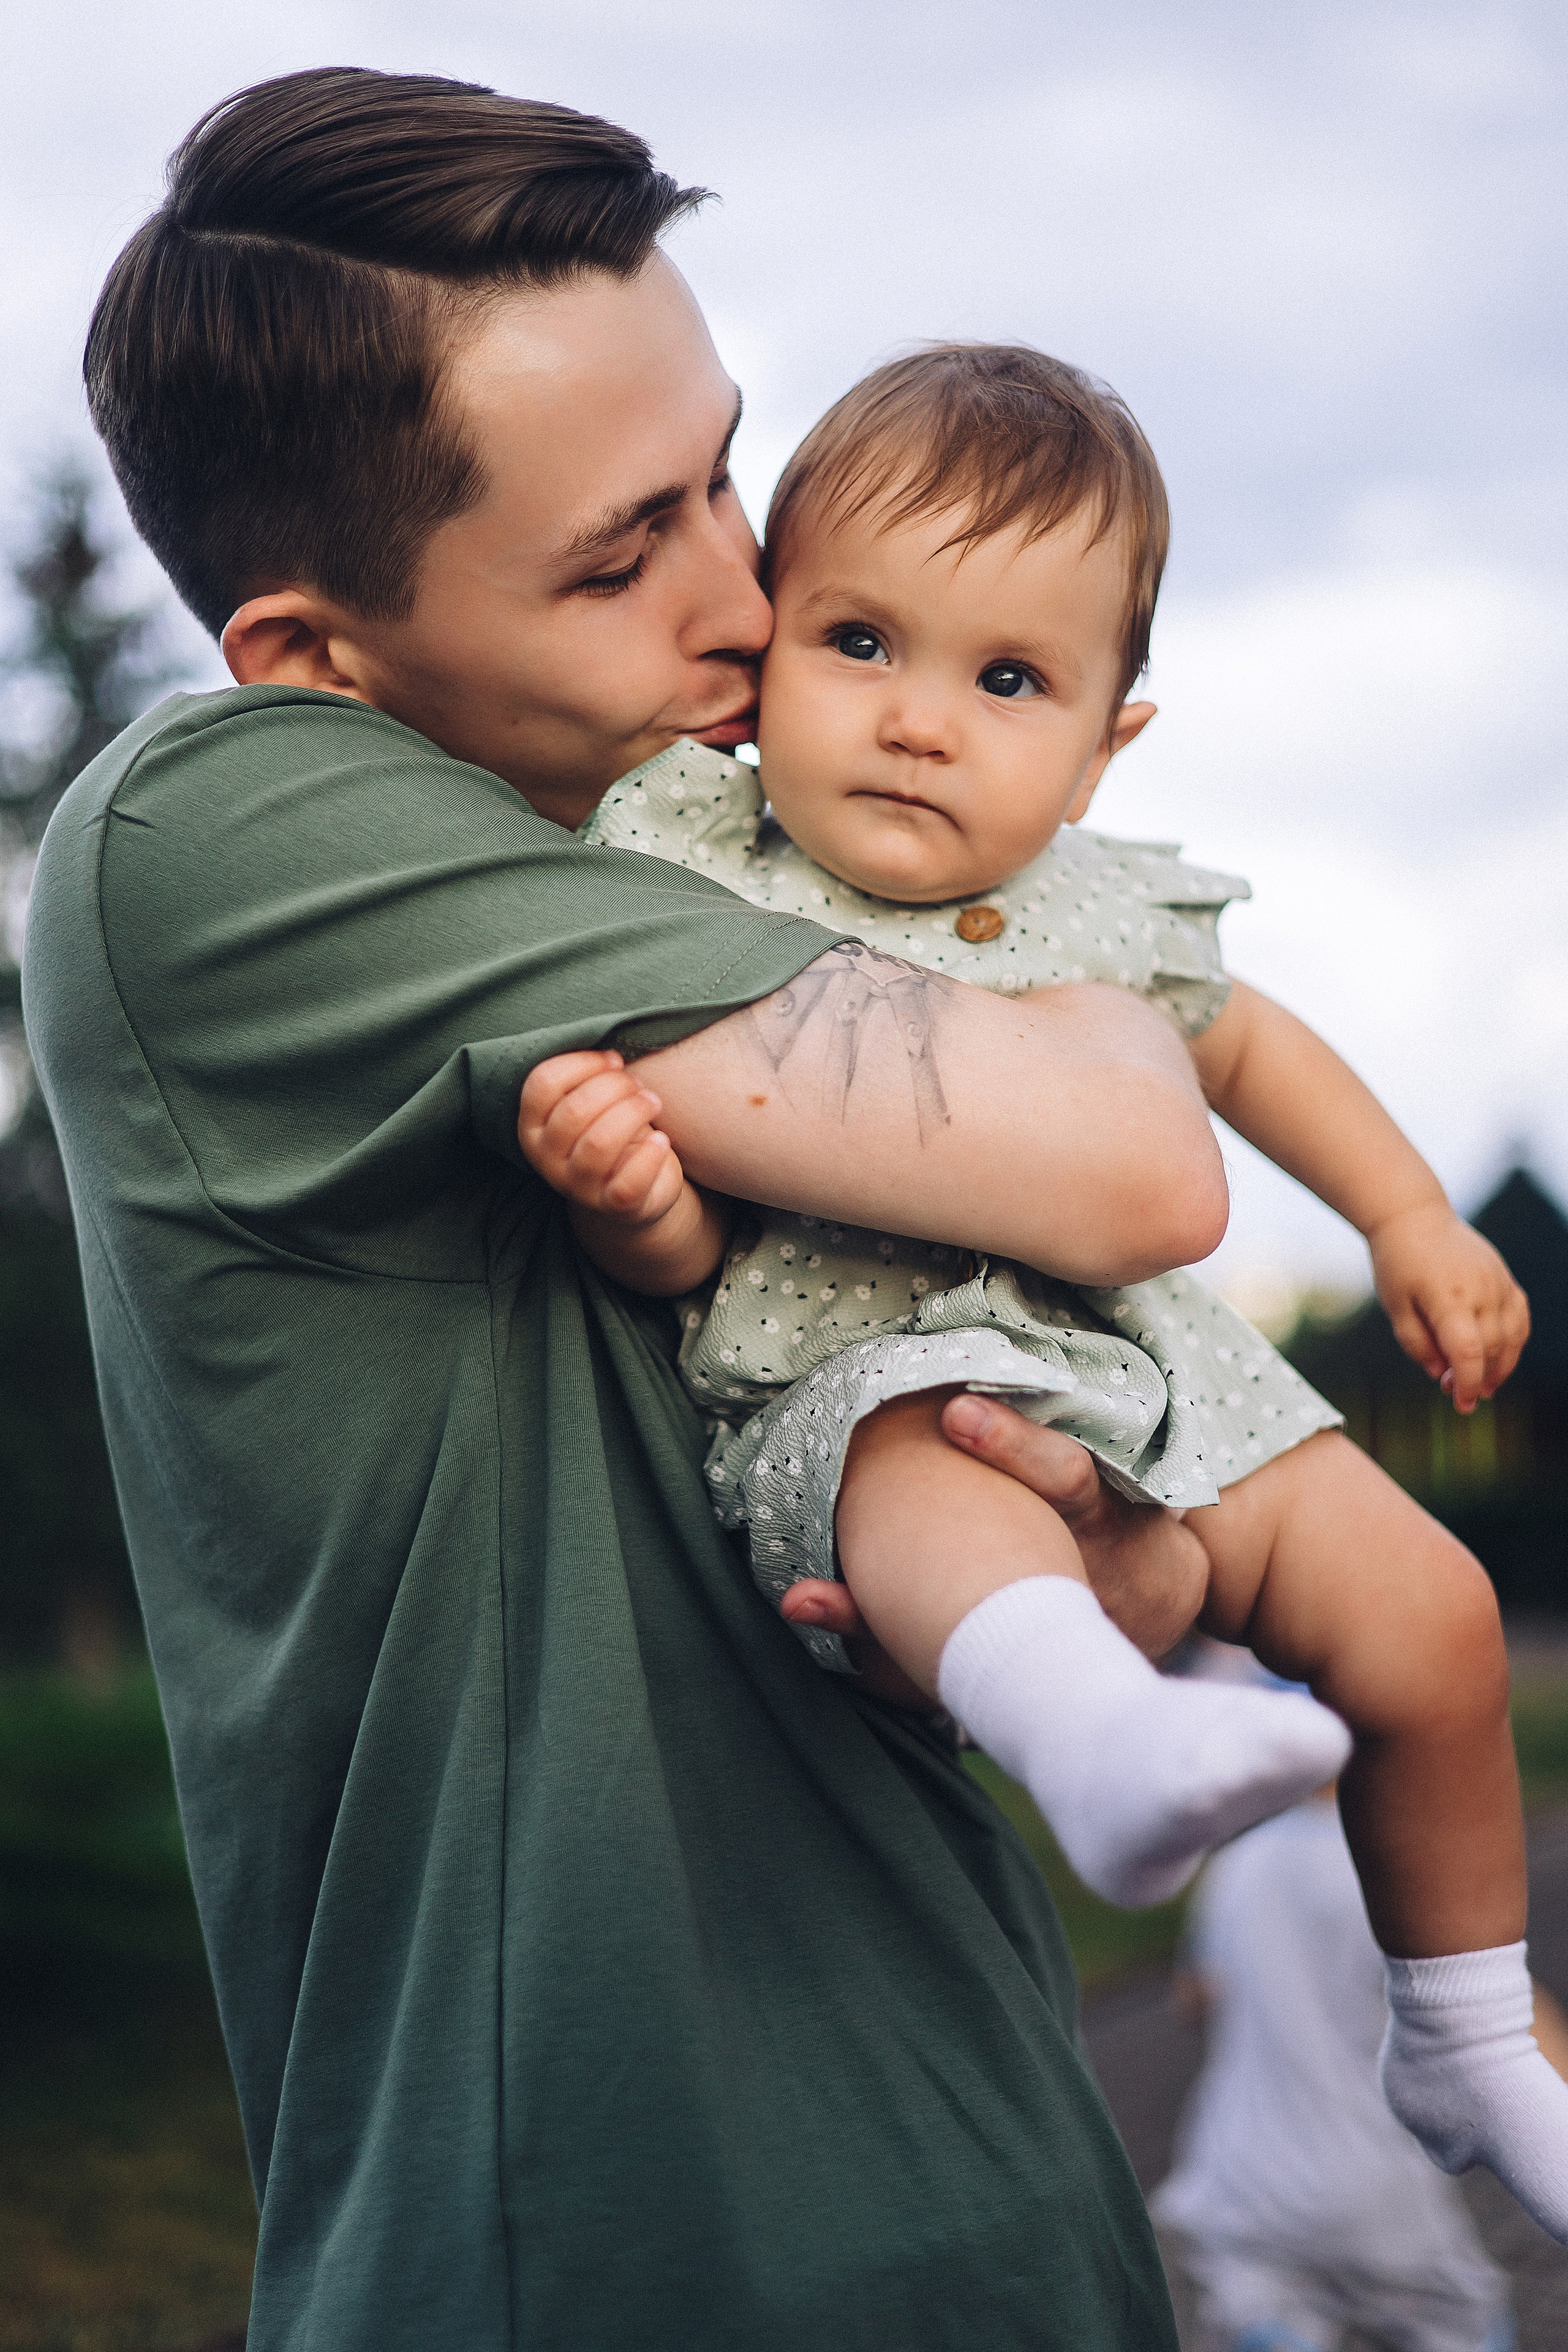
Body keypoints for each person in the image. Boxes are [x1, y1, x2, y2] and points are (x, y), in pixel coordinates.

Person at [23, 66, 1234, 2352]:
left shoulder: (659, 869)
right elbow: (1135, 1147)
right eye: (619, 553)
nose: (755, 597)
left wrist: (1121, 1535)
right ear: (310, 655)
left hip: (1009, 2208)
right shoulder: (218, 824)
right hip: (608, 2257)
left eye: (720, 475)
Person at [517, 345, 1568, 2243]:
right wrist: (627, 1210)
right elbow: (687, 1272)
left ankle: (1468, 2021)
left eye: (1007, 680)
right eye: (860, 640)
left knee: (1434, 1606)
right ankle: (1099, 1730)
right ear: (762, 657)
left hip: (1164, 1368)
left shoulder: (1101, 902)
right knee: (930, 1461)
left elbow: (1253, 1049)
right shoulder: (695, 863)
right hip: (861, 1362)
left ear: (1101, 743)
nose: (922, 720)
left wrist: (1408, 1214)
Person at [1153, 1788, 1520, 2352]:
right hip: (1372, 2185)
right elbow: (1496, 2026)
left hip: (1243, 2183)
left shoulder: (1236, 1860)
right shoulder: (1399, 1865)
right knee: (1462, 2329)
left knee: (1261, 2317)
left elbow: (1194, 1997)